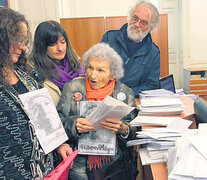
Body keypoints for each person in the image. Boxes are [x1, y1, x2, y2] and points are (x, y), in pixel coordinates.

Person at [0, 8, 72, 179]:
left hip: (45, 171)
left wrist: (58, 144)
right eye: (16, 40)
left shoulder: (26, 73)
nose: (23, 46)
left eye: (24, 40)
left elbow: (44, 117)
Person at [57, 43, 139, 180]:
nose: (93, 75)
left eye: (100, 70)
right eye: (90, 68)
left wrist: (124, 129)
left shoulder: (124, 92)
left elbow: (136, 129)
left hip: (115, 166)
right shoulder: (72, 87)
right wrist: (74, 124)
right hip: (79, 167)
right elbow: (57, 122)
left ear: (112, 73)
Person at [101, 0, 160, 98]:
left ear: (151, 27)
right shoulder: (109, 39)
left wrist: (125, 93)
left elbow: (151, 85)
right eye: (135, 18)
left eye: (144, 22)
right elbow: (97, 70)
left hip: (132, 102)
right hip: (105, 99)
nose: (137, 24)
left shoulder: (153, 53)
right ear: (130, 16)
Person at [29, 20, 86, 106]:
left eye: (63, 42)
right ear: (42, 46)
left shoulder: (76, 64)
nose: (60, 48)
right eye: (53, 44)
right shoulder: (33, 73)